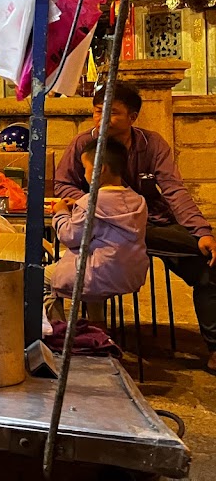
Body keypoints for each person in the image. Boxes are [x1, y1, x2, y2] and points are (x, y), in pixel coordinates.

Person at [55, 81, 216, 372]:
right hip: (103, 230)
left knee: (208, 262)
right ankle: (93, 331)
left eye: (113, 113)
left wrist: (201, 231)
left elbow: (174, 190)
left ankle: (215, 345)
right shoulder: (83, 145)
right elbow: (63, 184)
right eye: (96, 112)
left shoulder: (152, 145)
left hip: (154, 224)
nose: (102, 119)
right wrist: (94, 203)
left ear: (132, 117)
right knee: (85, 262)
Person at [45, 137, 148, 323]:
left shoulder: (90, 202)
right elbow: (109, 209)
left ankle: (57, 332)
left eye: (85, 168)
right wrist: (80, 205)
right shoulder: (138, 200)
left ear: (100, 169)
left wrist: (60, 212)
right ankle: (97, 328)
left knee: (39, 278)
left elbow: (69, 236)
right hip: (128, 273)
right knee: (94, 260)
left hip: (97, 274)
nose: (84, 173)